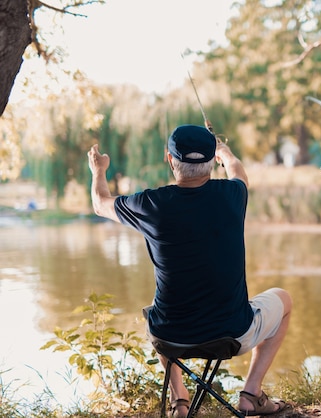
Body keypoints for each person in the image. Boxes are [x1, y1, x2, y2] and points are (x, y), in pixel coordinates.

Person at [87, 124, 291, 417]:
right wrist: (225, 151)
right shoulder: (233, 195)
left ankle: (179, 399)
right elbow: (238, 171)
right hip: (232, 334)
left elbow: (99, 203)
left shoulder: (151, 204)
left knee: (156, 311)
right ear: (211, 163)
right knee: (284, 299)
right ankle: (251, 393)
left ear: (169, 160)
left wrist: (98, 169)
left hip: (169, 337)